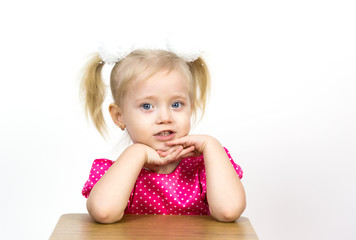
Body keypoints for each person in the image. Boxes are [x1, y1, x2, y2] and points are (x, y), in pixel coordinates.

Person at [80, 38, 246, 223]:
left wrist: (212, 145)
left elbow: (229, 211)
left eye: (176, 104)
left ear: (190, 108)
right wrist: (137, 152)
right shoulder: (117, 172)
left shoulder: (206, 166)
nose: (165, 118)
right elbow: (103, 212)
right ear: (119, 116)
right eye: (147, 106)